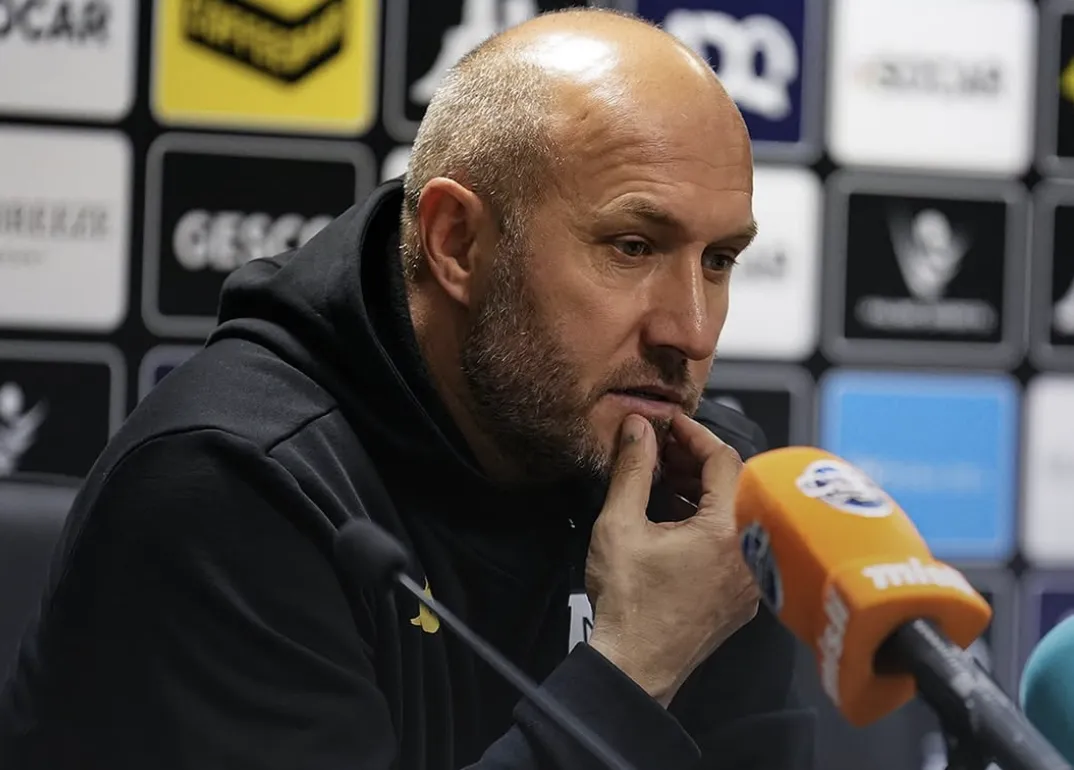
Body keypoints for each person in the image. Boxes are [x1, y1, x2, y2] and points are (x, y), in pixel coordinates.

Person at [0, 8, 815, 769]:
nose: (692, 331)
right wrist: (636, 667)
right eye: (632, 247)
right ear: (457, 243)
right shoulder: (230, 488)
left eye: (719, 260)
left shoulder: (700, 495)